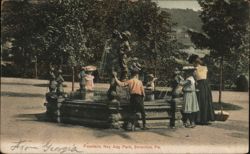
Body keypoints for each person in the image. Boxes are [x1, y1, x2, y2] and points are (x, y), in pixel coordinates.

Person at [188, 54, 215, 125]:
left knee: (205, 100)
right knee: (200, 100)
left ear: (195, 62)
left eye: (193, 63)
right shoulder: (193, 70)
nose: (193, 64)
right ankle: (199, 119)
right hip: (200, 85)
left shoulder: (204, 68)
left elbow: (202, 76)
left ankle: (204, 119)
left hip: (204, 85)